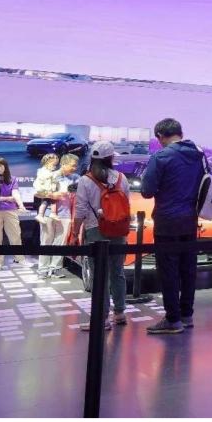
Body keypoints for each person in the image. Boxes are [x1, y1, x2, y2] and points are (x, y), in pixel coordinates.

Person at [140, 118, 206, 335]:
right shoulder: (199, 154)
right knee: (188, 270)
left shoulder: (161, 156)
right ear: (180, 133)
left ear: (160, 136)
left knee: (169, 272)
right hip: (191, 219)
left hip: (167, 221)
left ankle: (172, 319)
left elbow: (147, 191)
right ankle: (187, 315)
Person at [73, 142, 129, 331]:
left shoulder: (85, 180)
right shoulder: (121, 178)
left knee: (99, 276)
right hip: (118, 230)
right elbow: (126, 205)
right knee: (118, 271)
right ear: (111, 158)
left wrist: (75, 233)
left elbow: (80, 210)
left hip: (95, 230)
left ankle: (102, 318)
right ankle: (120, 312)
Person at [38, 154, 79, 278]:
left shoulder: (76, 178)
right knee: (46, 242)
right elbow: (38, 193)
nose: (75, 168)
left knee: (60, 243)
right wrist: (51, 195)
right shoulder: (50, 175)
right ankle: (43, 269)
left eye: (76, 166)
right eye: (73, 165)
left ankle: (55, 268)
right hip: (49, 213)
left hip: (65, 214)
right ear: (63, 164)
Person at [0, 157, 26, 270]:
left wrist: (21, 205)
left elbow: (15, 194)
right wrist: (7, 198)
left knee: (15, 235)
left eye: (1, 165)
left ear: (5, 167)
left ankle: (20, 258)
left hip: (10, 210)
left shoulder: (12, 179)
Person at [33, 153, 60, 224]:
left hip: (49, 189)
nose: (54, 166)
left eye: (55, 164)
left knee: (51, 201)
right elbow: (45, 178)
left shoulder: (49, 170)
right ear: (48, 162)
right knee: (46, 201)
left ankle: (52, 213)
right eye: (53, 164)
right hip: (45, 189)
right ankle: (40, 215)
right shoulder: (44, 170)